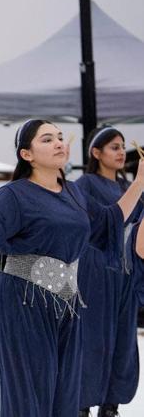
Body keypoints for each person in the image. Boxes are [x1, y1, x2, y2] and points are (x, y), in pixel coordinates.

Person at [0, 119, 144, 417]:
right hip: (24, 300)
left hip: (67, 301)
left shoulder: (73, 192)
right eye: (47, 139)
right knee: (31, 390)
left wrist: (139, 182)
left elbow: (109, 222)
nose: (59, 143)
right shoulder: (15, 194)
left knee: (65, 394)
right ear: (27, 154)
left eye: (60, 137)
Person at [76, 127, 143, 417]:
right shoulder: (85, 185)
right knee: (92, 337)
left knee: (124, 338)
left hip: (125, 271)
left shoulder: (127, 185)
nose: (120, 152)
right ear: (96, 152)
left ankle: (111, 404)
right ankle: (81, 403)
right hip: (95, 271)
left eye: (122, 147)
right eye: (113, 147)